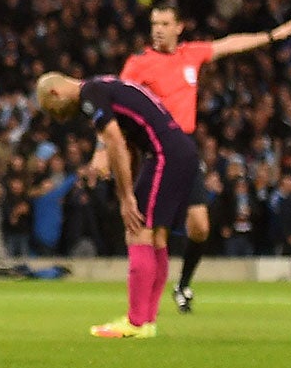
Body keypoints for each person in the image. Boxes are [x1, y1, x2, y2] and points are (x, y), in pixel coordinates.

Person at [120, 1, 291, 312]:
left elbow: (230, 44)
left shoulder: (191, 54)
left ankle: (183, 284)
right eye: (154, 24)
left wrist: (271, 36)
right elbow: (117, 106)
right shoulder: (138, 64)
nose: (158, 30)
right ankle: (144, 308)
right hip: (155, 151)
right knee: (153, 232)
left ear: (179, 28)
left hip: (185, 149)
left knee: (200, 226)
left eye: (164, 24)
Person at [37, 72, 198, 340]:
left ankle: (135, 322)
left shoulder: (90, 95)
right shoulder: (108, 85)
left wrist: (126, 198)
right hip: (181, 152)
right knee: (157, 237)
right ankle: (146, 321)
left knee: (137, 230)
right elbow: (132, 141)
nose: (57, 117)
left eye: (50, 109)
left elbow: (115, 141)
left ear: (55, 93)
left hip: (164, 155)